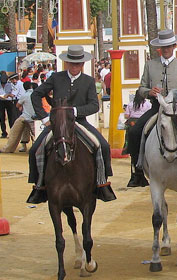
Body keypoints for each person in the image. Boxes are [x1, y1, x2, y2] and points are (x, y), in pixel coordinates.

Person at [26, 45, 116, 203]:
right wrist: (45, 118)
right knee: (35, 149)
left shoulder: (88, 81)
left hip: (79, 122)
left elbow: (94, 105)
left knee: (103, 146)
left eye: (78, 64)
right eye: (72, 63)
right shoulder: (56, 78)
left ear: (82, 64)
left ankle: (102, 183)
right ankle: (39, 186)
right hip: (57, 123)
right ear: (67, 63)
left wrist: (75, 111)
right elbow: (36, 94)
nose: (75, 66)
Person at [126, 29, 177, 187]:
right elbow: (141, 89)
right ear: (159, 48)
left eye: (169, 46)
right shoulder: (150, 65)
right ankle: (138, 172)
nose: (166, 49)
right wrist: (149, 91)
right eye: (163, 47)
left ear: (174, 46)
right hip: (157, 108)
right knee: (135, 132)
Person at [0, 81, 36, 153]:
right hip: (35, 117)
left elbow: (17, 105)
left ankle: (9, 149)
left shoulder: (24, 95)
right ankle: (35, 148)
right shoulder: (36, 94)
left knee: (14, 132)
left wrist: (22, 106)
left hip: (25, 116)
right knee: (34, 133)